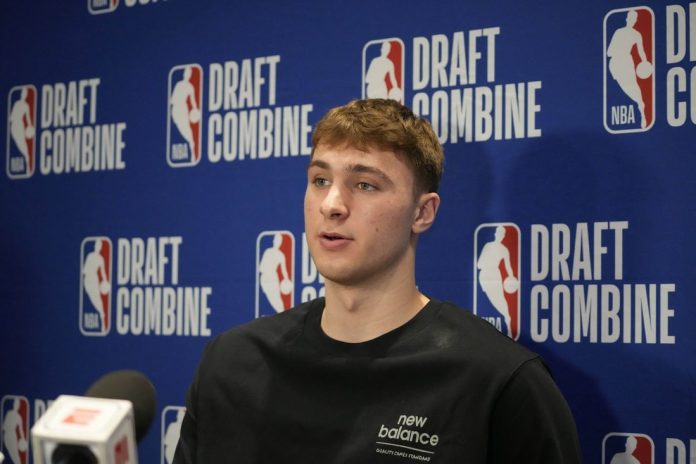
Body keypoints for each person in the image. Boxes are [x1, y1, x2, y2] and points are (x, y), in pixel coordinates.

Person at [174, 99, 581, 463]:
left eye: (365, 184)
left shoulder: (498, 382)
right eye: (320, 180)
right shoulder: (231, 363)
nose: (332, 205)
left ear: (422, 213)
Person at [607, 10, 650, 128]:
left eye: (634, 19)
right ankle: (640, 103)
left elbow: (641, 51)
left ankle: (641, 108)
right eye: (630, 18)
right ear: (627, 19)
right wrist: (618, 51)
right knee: (624, 87)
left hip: (627, 62)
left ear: (635, 21)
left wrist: (645, 62)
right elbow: (609, 52)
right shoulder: (618, 32)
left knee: (633, 86)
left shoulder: (637, 34)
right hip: (615, 63)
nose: (632, 20)